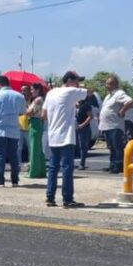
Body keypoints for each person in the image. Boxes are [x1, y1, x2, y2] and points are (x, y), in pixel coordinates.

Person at [44, 71, 89, 208]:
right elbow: (89, 92)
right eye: (77, 81)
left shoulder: (51, 93)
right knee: (67, 169)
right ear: (69, 81)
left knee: (53, 168)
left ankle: (50, 197)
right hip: (66, 136)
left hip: (53, 135)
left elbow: (44, 114)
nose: (78, 84)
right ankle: (67, 199)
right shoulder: (70, 91)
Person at [0, 75, 27, 187]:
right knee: (14, 155)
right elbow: (23, 111)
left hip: (0, 130)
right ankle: (15, 180)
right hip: (14, 130)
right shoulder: (19, 96)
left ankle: (0, 179)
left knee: (0, 155)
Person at [98, 75, 133, 174]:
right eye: (106, 84)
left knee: (117, 147)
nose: (107, 86)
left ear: (116, 85)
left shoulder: (119, 93)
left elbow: (130, 101)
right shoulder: (108, 96)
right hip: (107, 126)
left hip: (115, 126)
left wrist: (122, 111)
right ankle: (112, 165)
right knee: (111, 147)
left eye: (110, 84)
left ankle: (118, 166)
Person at [26, 84, 46, 179]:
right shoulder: (38, 99)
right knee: (37, 147)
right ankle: (40, 170)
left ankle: (34, 172)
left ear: (37, 90)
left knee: (34, 148)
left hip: (35, 122)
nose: (31, 91)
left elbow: (30, 112)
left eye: (32, 89)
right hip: (36, 122)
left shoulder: (38, 100)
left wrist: (25, 108)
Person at [75, 91, 95, 169]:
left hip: (84, 128)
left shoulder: (86, 105)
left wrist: (82, 125)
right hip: (75, 127)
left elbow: (90, 116)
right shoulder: (75, 105)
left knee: (82, 146)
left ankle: (82, 163)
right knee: (74, 146)